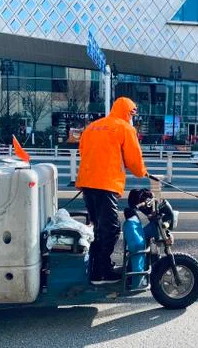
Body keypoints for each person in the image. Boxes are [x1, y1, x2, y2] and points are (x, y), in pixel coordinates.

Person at [76, 97, 148, 284]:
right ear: (128, 112)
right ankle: (102, 272)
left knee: (97, 227)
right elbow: (135, 160)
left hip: (86, 182)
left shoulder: (93, 127)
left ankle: (93, 267)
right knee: (110, 229)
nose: (133, 118)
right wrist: (142, 172)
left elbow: (83, 151)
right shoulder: (124, 128)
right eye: (133, 114)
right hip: (105, 184)